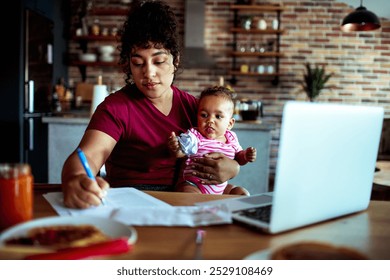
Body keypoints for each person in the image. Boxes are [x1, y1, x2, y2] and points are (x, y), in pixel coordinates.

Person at [61, 0, 240, 209]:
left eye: (158, 61)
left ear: (176, 61)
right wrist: (75, 180)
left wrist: (233, 168)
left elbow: (223, 146)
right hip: (130, 204)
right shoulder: (116, 108)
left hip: (183, 202)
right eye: (138, 63)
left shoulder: (195, 108)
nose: (148, 73)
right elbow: (88, 156)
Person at [168, 86, 257, 195]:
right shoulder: (195, 135)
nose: (210, 120)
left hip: (220, 188)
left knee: (242, 193)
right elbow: (182, 153)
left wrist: (246, 156)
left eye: (218, 116)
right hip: (194, 184)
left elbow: (239, 158)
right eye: (204, 115)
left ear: (230, 123)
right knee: (188, 193)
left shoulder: (231, 138)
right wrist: (177, 148)